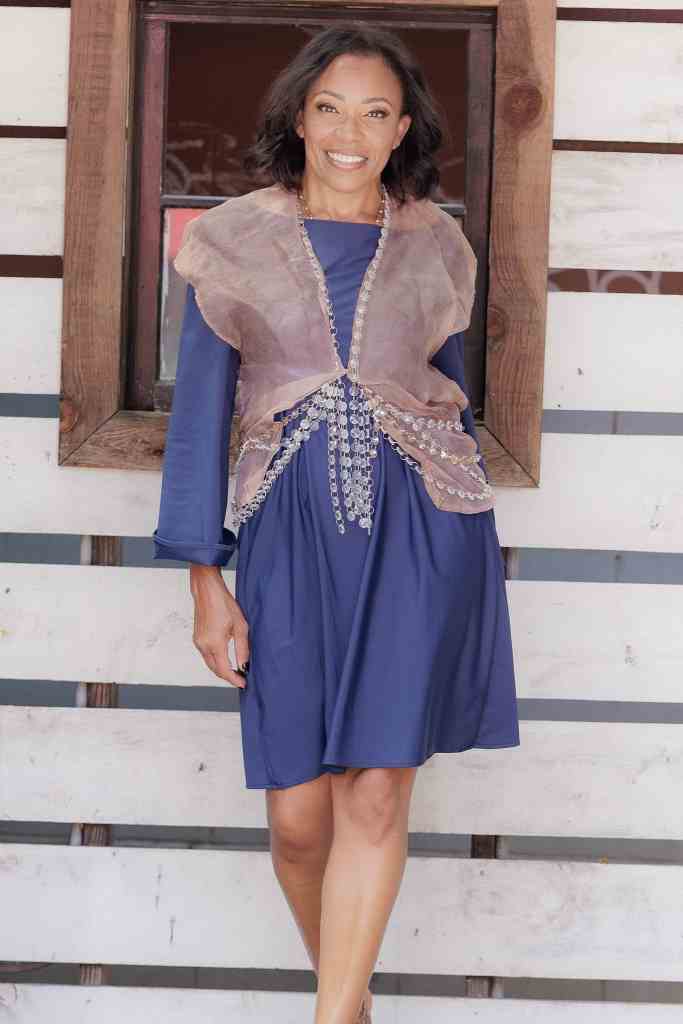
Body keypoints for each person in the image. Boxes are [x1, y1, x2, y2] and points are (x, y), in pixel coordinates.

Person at [154, 22, 520, 1024]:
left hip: (420, 539)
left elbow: (446, 401)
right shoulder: (232, 241)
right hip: (288, 543)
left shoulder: (435, 244)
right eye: (329, 109)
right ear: (298, 120)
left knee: (375, 793)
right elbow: (199, 420)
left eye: (373, 112)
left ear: (401, 130)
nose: (348, 133)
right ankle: (351, 1008)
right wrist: (204, 578)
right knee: (297, 819)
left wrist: (467, 557)